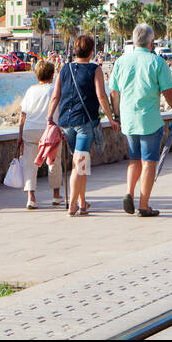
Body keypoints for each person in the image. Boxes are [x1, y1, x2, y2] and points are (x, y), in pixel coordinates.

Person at [110, 23, 172, 218]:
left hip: (128, 119)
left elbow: (114, 92)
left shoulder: (121, 62)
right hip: (149, 119)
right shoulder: (156, 62)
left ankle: (129, 192)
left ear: (133, 41)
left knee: (134, 159)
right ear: (151, 42)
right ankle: (144, 205)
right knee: (149, 162)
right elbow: (168, 91)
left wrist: (117, 114)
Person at [48, 33, 117, 216]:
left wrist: (50, 117)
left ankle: (82, 201)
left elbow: (56, 95)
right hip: (85, 122)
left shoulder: (64, 69)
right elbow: (101, 96)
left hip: (66, 122)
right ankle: (72, 204)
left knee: (80, 161)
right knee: (80, 161)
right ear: (92, 51)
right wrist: (110, 118)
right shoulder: (95, 69)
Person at [18, 59, 64, 209]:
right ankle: (56, 195)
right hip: (49, 130)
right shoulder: (54, 89)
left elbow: (23, 114)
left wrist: (20, 135)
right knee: (54, 161)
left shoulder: (31, 90)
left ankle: (31, 198)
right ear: (52, 74)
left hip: (30, 130)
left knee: (30, 164)